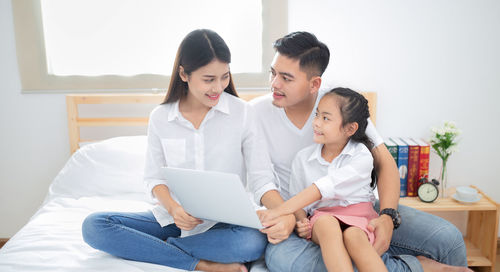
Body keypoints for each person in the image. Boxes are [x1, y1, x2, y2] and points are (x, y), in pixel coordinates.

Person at [251, 31, 471, 272]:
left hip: (358, 209)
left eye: (286, 78)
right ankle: (414, 267)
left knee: (448, 239)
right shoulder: (256, 113)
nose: (274, 84)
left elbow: (383, 161)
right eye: (273, 73)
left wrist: (388, 216)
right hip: (304, 217)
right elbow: (262, 181)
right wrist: (292, 216)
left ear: (314, 83)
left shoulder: (339, 103)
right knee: (285, 260)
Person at [82, 29, 275, 272]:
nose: (218, 87)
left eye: (224, 77)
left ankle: (151, 248)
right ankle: (201, 264)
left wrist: (284, 213)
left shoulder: (243, 113)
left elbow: (261, 178)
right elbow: (154, 178)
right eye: (208, 79)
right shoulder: (161, 117)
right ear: (184, 73)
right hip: (173, 219)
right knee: (95, 225)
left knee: (251, 243)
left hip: (227, 225)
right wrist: (174, 209)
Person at [258, 88, 388, 272]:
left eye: (325, 118)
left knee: (354, 237)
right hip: (321, 218)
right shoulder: (302, 159)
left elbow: (322, 188)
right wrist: (301, 221)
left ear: (350, 128)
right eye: (316, 115)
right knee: (327, 224)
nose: (316, 123)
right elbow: (299, 203)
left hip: (359, 217)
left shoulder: (361, 156)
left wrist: (278, 211)